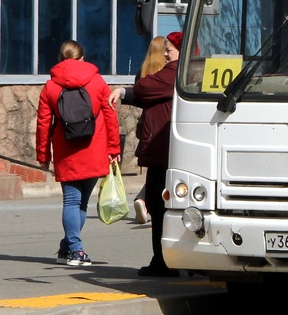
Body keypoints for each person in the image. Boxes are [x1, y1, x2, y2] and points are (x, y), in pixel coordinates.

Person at [36, 40, 121, 266]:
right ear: (82, 57)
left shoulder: (50, 86)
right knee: (81, 203)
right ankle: (74, 249)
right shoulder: (97, 81)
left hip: (66, 149)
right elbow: (110, 116)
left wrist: (43, 154)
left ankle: (69, 248)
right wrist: (114, 148)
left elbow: (44, 123)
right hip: (95, 147)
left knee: (71, 201)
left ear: (60, 59)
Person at [116, 31, 180, 277]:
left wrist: (126, 90)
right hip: (166, 149)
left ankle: (163, 262)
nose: (165, 53)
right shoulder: (178, 75)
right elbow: (146, 96)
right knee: (160, 203)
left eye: (170, 48)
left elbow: (143, 87)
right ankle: (166, 260)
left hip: (162, 150)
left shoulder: (172, 73)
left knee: (158, 203)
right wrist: (124, 93)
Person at [130, 36, 167, 223]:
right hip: (163, 125)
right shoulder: (166, 74)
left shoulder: (142, 72)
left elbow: (138, 96)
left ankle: (144, 199)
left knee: (154, 169)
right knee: (164, 170)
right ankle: (145, 200)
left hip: (146, 124)